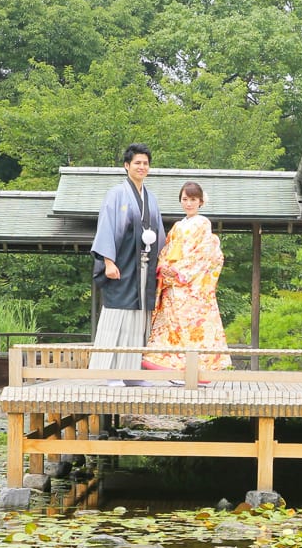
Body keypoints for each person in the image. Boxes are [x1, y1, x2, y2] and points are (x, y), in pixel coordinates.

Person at [88, 143, 166, 385]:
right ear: (126, 166)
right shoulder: (116, 194)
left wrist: (162, 264)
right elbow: (107, 229)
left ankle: (131, 373)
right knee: (117, 315)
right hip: (122, 266)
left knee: (139, 317)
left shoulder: (150, 199)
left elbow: (160, 235)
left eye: (145, 163)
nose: (142, 167)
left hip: (144, 266)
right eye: (137, 163)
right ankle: (109, 373)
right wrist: (108, 262)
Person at [143, 181, 232, 379]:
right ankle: (175, 371)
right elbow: (166, 250)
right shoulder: (177, 226)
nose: (189, 203)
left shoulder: (203, 223)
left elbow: (205, 254)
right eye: (185, 199)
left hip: (192, 288)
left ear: (200, 201)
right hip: (174, 287)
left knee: (194, 329)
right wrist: (164, 266)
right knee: (174, 330)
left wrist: (179, 270)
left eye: (193, 199)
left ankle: (196, 373)